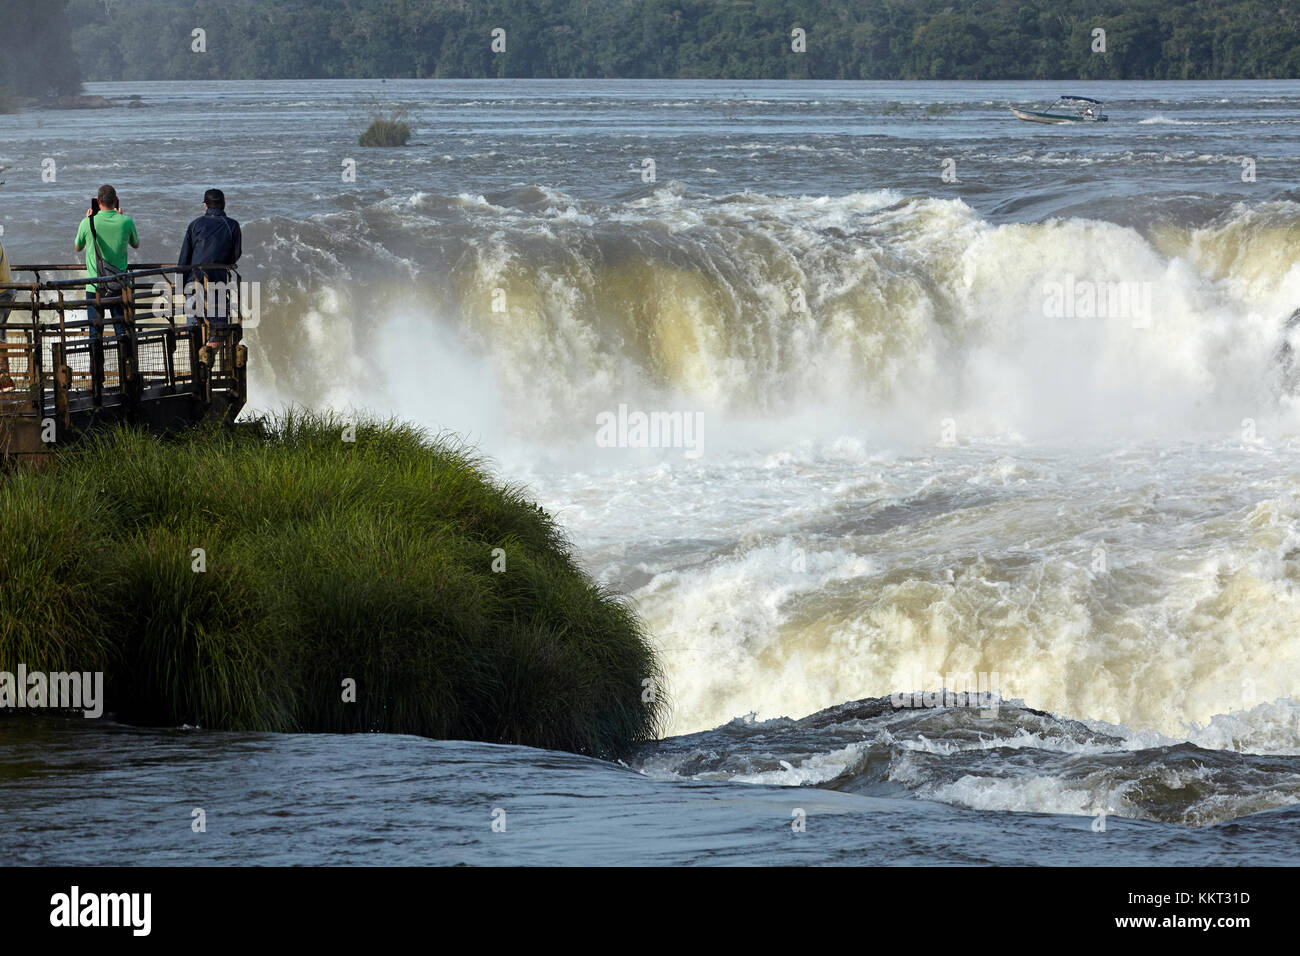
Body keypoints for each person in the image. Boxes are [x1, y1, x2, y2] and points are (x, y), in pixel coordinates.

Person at [74, 184, 139, 378]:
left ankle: (97, 379)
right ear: (115, 200)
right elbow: (136, 244)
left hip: (95, 287)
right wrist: (121, 216)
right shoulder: (126, 221)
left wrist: (87, 220)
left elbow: (77, 247)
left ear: (98, 201)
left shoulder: (88, 222)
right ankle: (126, 376)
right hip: (120, 286)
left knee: (95, 333)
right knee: (122, 330)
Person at [176, 188, 241, 338]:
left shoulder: (195, 225)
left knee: (193, 328)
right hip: (218, 282)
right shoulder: (232, 225)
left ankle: (199, 357)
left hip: (194, 281)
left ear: (205, 205)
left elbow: (184, 259)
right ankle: (207, 356)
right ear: (224, 203)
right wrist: (223, 263)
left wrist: (180, 286)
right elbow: (235, 255)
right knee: (220, 329)